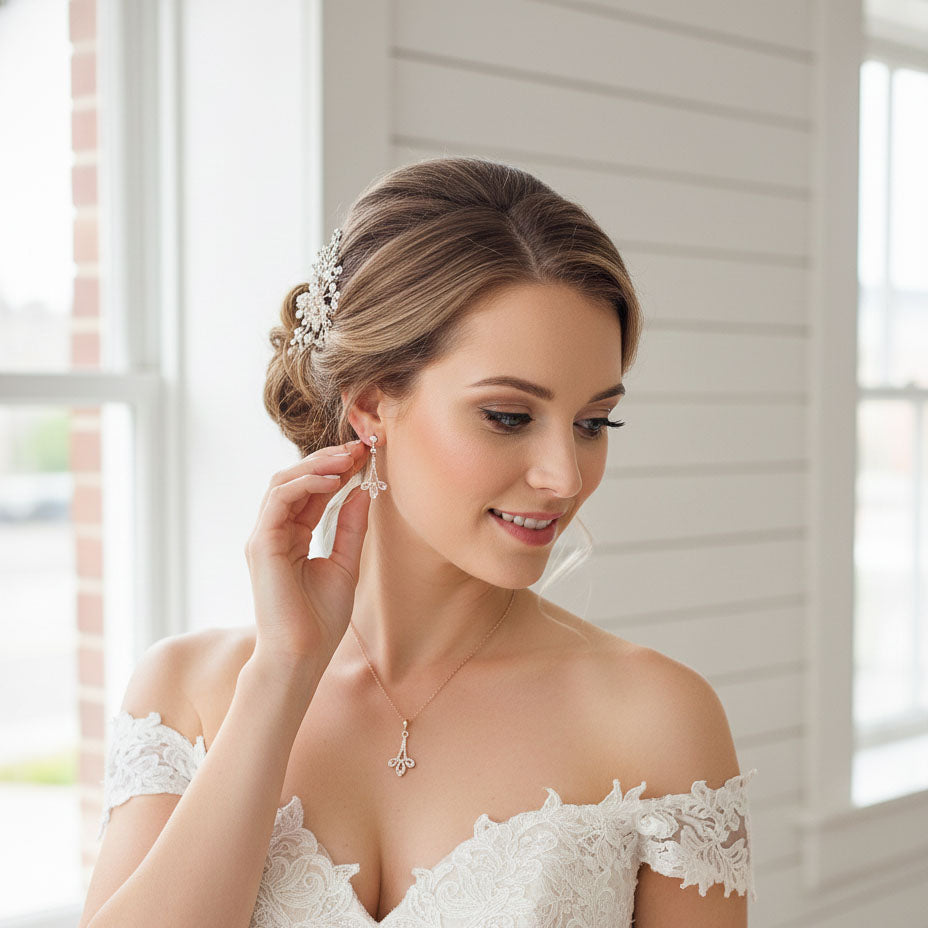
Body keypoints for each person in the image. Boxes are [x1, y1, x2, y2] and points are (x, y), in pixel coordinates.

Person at [79, 156, 757, 928]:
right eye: (508, 416)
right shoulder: (185, 695)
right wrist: (282, 676)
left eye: (593, 422)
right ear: (371, 406)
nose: (565, 476)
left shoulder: (656, 717)